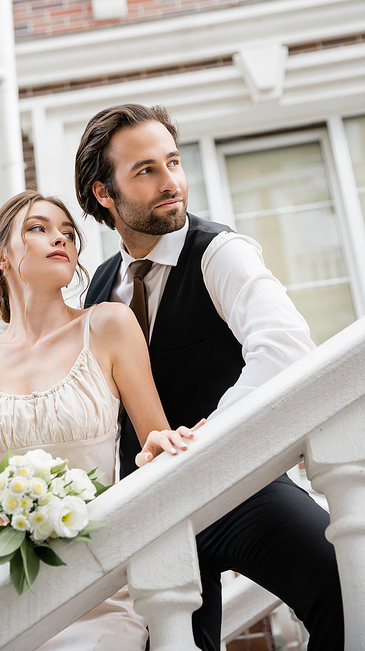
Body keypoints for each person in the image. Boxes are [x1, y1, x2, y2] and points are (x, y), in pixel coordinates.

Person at [75, 103, 345, 651]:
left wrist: (204, 442)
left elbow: (287, 350)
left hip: (240, 486)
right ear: (105, 194)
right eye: (145, 170)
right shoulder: (99, 290)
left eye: (173, 162)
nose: (171, 181)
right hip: (154, 510)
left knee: (346, 590)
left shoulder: (220, 253)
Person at [0, 189, 201, 651]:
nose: (60, 239)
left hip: (93, 571)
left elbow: (153, 435)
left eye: (68, 232)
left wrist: (167, 442)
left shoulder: (108, 325)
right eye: (37, 228)